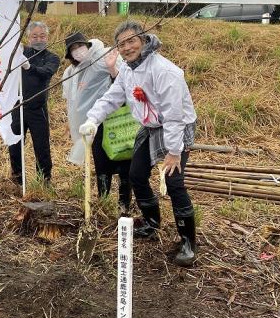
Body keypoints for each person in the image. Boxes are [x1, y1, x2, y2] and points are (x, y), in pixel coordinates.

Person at [80, 21, 198, 267]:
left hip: (176, 126)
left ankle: (188, 241)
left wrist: (174, 152)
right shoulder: (127, 70)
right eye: (121, 44)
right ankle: (152, 223)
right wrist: (92, 119)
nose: (126, 47)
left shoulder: (164, 71)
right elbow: (112, 97)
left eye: (131, 41)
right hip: (150, 126)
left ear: (144, 40)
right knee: (136, 174)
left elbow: (175, 115)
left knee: (173, 181)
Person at [62, 32, 132, 214]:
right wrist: (71, 124)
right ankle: (104, 202)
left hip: (117, 119)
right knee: (101, 162)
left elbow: (124, 84)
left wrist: (111, 68)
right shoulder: (72, 73)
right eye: (73, 50)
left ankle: (124, 204)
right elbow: (72, 103)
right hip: (94, 124)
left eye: (79, 46)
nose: (78, 51)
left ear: (87, 44)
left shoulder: (104, 57)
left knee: (124, 160)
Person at [8, 21, 60, 186]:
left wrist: (29, 67)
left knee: (41, 146)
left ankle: (44, 181)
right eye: (34, 36)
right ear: (28, 38)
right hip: (18, 106)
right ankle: (17, 179)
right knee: (14, 143)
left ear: (47, 37)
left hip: (38, 109)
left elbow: (47, 72)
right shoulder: (21, 52)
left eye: (42, 36)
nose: (39, 39)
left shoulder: (52, 57)